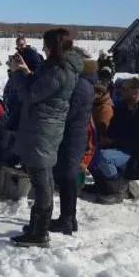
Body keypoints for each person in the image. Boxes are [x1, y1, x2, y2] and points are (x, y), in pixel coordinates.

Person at [9, 28, 78, 248]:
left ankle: (39, 232)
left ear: (54, 47)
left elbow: (31, 95)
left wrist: (18, 74)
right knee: (42, 177)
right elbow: (39, 87)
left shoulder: (60, 71)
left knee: (41, 180)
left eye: (46, 45)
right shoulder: (57, 67)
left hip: (43, 130)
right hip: (43, 128)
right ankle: (38, 227)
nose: (43, 48)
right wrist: (25, 70)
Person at [93, 78, 139, 204]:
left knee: (104, 157)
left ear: (135, 92)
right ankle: (102, 185)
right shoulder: (123, 107)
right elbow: (114, 127)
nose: (120, 92)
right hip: (122, 147)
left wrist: (113, 142)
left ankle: (117, 190)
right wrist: (106, 139)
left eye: (124, 90)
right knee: (91, 151)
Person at [50, 48, 95, 236]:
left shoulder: (81, 86)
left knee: (68, 177)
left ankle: (66, 219)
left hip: (72, 137)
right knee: (67, 176)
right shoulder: (83, 83)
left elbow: (70, 112)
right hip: (74, 135)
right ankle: (70, 218)